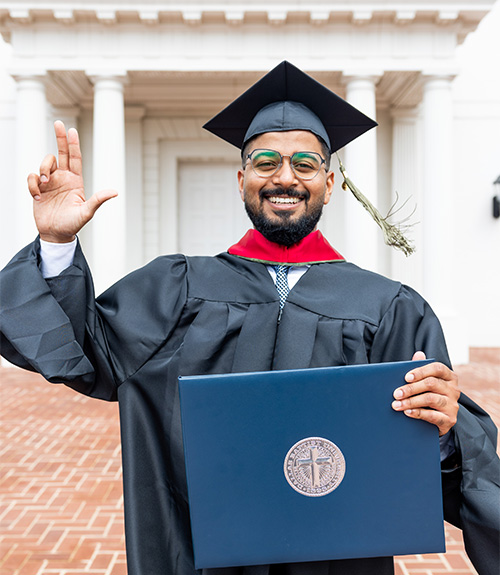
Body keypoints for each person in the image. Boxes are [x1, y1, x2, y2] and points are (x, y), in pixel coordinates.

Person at [1, 61, 498, 575]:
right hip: (204, 553)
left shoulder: (391, 307)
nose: (285, 177)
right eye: (266, 162)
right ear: (242, 180)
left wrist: (442, 427)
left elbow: (434, 461)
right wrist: (57, 244)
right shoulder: (177, 288)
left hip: (337, 557)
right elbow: (85, 351)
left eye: (305, 164)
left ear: (330, 183)